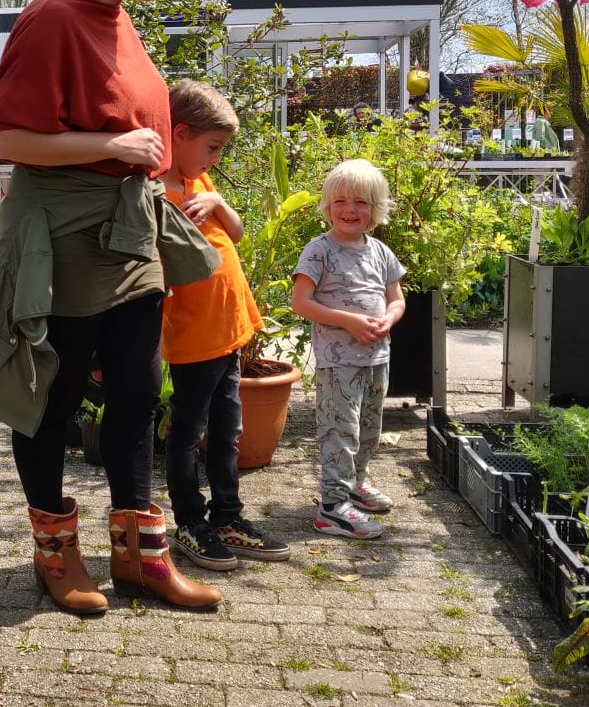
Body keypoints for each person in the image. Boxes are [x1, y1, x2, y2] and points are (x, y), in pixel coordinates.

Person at [0, 0, 222, 615]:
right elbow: (10, 142)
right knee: (53, 401)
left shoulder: (123, 21)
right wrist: (111, 145)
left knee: (138, 391)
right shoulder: (52, 18)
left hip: (130, 235)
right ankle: (57, 550)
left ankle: (141, 555)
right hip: (63, 236)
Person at [159, 79, 289, 570]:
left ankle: (227, 516)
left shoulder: (198, 184)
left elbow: (235, 231)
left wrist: (218, 204)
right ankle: (191, 522)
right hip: (194, 339)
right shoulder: (156, 195)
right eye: (211, 148)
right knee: (189, 432)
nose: (214, 158)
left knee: (228, 429)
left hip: (230, 331)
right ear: (179, 132)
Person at [291, 160, 406, 540]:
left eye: (361, 202)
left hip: (377, 356)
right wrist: (349, 321)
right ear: (327, 206)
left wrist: (388, 319)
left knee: (369, 428)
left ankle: (357, 483)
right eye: (341, 201)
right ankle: (332, 506)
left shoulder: (380, 252)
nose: (350, 210)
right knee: (340, 429)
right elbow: (302, 303)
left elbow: (397, 299)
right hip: (338, 362)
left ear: (376, 209)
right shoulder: (319, 250)